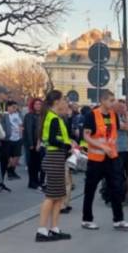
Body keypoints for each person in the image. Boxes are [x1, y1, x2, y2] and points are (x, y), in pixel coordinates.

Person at [81, 90, 128, 231]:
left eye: (113, 99)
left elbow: (127, 128)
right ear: (103, 100)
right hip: (96, 158)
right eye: (111, 100)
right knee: (90, 190)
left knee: (116, 189)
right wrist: (101, 145)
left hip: (111, 157)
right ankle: (86, 219)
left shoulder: (113, 115)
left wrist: (127, 116)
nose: (113, 102)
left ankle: (119, 220)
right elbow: (86, 136)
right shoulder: (91, 115)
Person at [36, 90, 77, 242]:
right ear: (57, 102)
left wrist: (69, 143)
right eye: (64, 100)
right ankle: (41, 230)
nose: (66, 103)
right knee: (51, 196)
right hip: (54, 158)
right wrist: (67, 145)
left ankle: (54, 228)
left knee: (59, 196)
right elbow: (53, 140)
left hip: (57, 158)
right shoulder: (53, 118)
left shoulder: (54, 117)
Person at [24, 98, 44, 189]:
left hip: (40, 143)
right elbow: (28, 130)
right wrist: (31, 144)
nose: (38, 106)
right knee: (32, 164)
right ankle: (32, 182)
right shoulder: (29, 116)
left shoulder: (42, 116)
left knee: (38, 163)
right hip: (32, 143)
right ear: (32, 105)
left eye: (39, 104)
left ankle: (37, 181)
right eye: (36, 104)